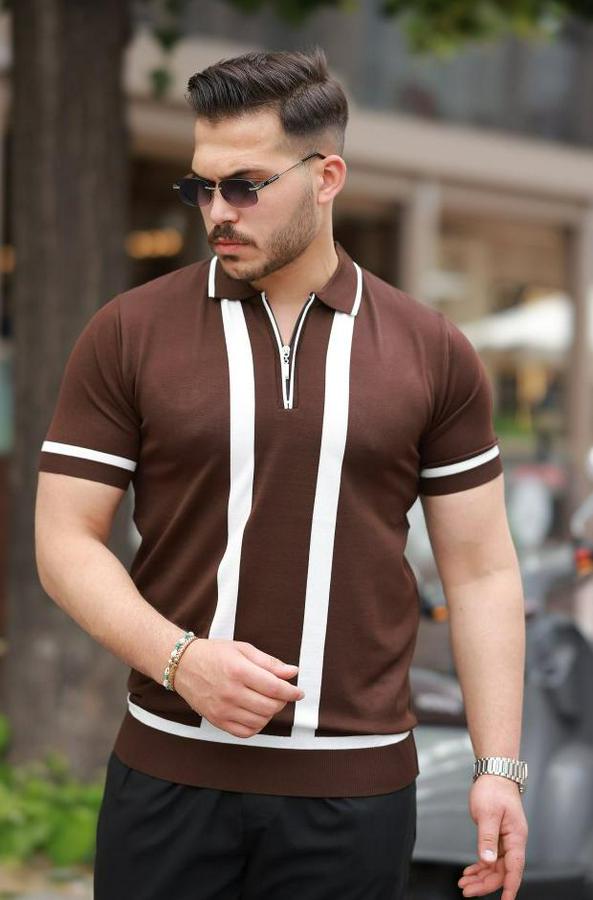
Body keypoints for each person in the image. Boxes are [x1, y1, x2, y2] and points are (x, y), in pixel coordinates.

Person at [35, 45, 528, 900]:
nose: (216, 212)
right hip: (167, 777)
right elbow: (63, 538)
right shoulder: (129, 331)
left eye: (244, 186)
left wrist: (499, 768)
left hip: (357, 794)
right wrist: (180, 659)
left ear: (325, 176)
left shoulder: (432, 349)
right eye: (200, 187)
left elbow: (481, 570)